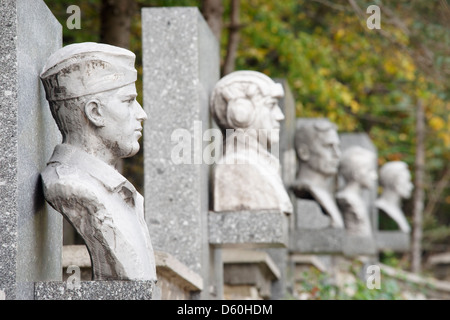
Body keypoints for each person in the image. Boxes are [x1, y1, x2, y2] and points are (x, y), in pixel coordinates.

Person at [40, 42, 156, 281]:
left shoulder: (119, 192)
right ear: (95, 112)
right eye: (128, 101)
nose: (141, 113)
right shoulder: (71, 186)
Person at [210, 71, 293, 214]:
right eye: (271, 105)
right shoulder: (236, 165)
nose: (280, 116)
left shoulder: (263, 163)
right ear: (242, 114)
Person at [292, 118, 344, 228]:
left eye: (337, 147)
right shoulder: (309, 189)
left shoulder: (325, 193)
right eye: (328, 146)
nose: (337, 154)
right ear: (304, 152)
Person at [336, 146, 377, 236]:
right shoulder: (346, 199)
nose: (374, 176)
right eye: (369, 170)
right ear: (357, 173)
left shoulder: (356, 199)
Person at [375, 161, 412, 233]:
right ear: (394, 182)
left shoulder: (397, 210)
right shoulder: (381, 210)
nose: (411, 186)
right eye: (407, 181)